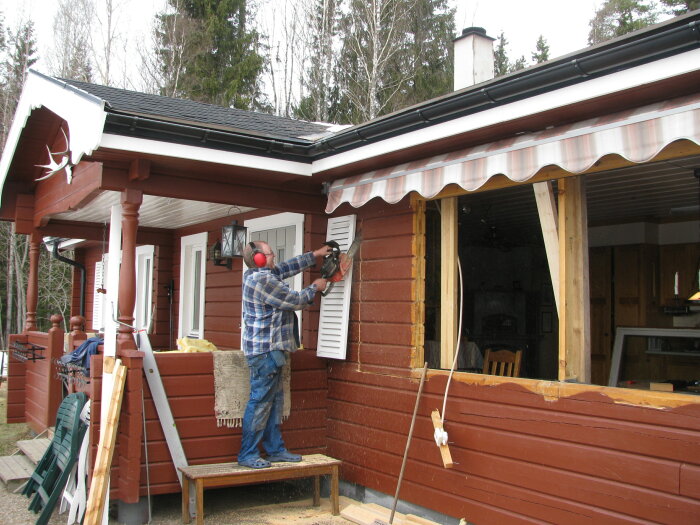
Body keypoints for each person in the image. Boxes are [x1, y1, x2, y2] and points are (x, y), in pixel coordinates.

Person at [237, 240, 330, 469]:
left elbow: (287, 267)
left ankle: (275, 450)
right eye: (270, 254)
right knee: (260, 403)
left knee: (272, 403)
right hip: (266, 352)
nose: (274, 257)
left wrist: (315, 254)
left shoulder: (259, 273)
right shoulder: (263, 280)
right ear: (259, 259)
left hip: (270, 351)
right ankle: (248, 455)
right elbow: (295, 300)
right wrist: (315, 287)